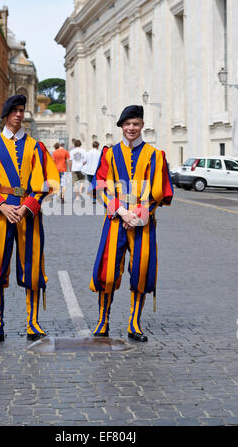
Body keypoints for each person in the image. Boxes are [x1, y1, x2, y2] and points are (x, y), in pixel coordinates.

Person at [0, 94, 60, 346]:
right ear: (6, 114)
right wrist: (1, 205)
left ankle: (33, 323)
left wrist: (28, 206)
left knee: (32, 269)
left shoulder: (37, 147)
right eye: (14, 110)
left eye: (22, 110)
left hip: (28, 216)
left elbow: (47, 183)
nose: (19, 114)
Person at [89, 105, 173, 342]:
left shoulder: (155, 155)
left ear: (142, 125)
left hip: (143, 222)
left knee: (141, 270)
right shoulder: (109, 153)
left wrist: (137, 215)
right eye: (127, 124)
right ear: (121, 127)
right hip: (116, 219)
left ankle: (134, 323)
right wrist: (123, 212)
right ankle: (102, 320)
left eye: (135, 124)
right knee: (107, 271)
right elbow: (101, 185)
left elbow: (159, 190)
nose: (131, 128)